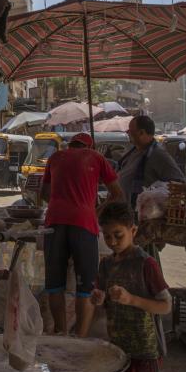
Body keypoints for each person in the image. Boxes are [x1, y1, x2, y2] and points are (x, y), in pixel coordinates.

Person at [92, 202, 171, 372]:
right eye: (107, 237)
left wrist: (132, 300)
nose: (113, 242)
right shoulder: (106, 264)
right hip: (119, 347)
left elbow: (166, 305)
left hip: (146, 348)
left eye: (118, 235)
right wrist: (98, 298)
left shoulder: (146, 263)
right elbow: (101, 297)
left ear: (133, 231)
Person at [40, 132, 123, 337]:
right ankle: (81, 337)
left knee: (54, 284)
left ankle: (60, 332)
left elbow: (43, 193)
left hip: (54, 221)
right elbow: (117, 194)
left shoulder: (55, 157)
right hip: (83, 223)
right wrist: (96, 209)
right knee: (85, 286)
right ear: (90, 146)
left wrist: (62, 198)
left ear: (70, 145)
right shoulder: (96, 157)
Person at [117, 115, 184, 212]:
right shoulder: (134, 151)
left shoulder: (157, 154)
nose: (128, 134)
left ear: (141, 133)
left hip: (142, 215)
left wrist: (155, 196)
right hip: (125, 212)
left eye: (130, 131)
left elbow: (179, 183)